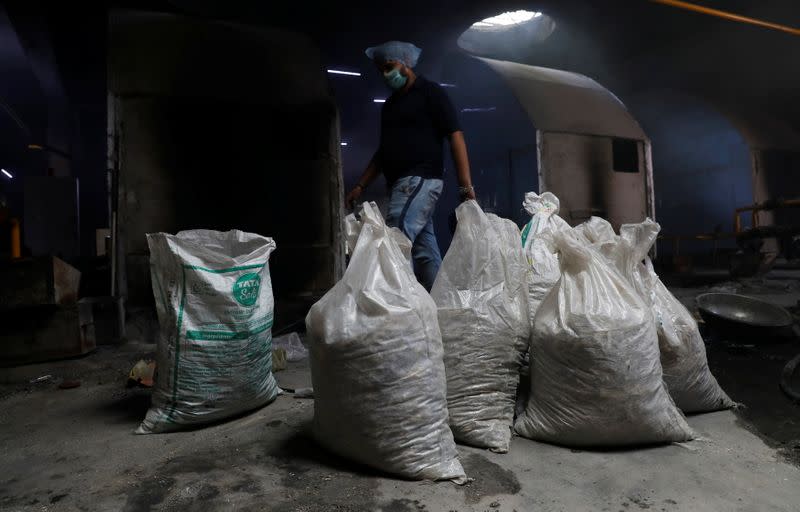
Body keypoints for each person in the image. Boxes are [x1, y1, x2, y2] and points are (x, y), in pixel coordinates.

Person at [345, 41, 475, 291]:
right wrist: (360, 185)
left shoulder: (430, 93)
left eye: (389, 67)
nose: (385, 75)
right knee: (424, 250)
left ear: (405, 62)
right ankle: (438, 305)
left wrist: (465, 186)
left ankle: (396, 307)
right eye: (380, 70)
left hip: (419, 179)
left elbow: (455, 136)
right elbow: (383, 153)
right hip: (399, 184)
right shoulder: (391, 106)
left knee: (394, 239)